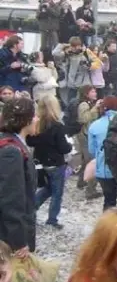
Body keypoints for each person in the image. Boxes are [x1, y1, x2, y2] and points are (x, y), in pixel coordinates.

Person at [26, 95, 72, 230]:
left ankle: (32, 207)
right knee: (57, 192)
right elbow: (64, 148)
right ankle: (52, 219)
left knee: (49, 188)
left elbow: (30, 141)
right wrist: (70, 146)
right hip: (56, 163)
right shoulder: (57, 126)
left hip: (41, 161)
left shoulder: (36, 125)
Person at [0, 98, 38, 258]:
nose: (37, 119)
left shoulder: (14, 143)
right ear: (25, 120)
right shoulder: (12, 151)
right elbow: (11, 199)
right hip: (9, 238)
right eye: (34, 115)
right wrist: (19, 241)